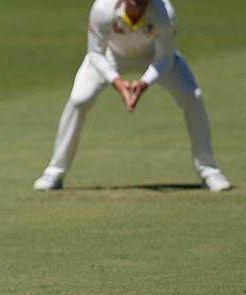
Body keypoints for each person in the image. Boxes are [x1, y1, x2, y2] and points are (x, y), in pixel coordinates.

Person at [33, 0, 231, 192]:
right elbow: (95, 54)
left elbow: (165, 58)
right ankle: (55, 171)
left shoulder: (164, 13)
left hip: (153, 58)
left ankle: (208, 170)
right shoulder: (103, 8)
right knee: (79, 100)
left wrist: (144, 83)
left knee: (192, 95)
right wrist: (116, 82)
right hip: (111, 57)